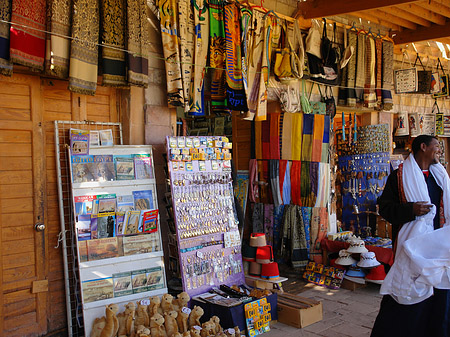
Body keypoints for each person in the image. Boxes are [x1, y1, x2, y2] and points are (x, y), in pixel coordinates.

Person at [371, 135, 450, 337]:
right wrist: (410, 210)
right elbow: (386, 209)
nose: (439, 150)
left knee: (440, 300)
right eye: (436, 146)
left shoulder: (440, 177)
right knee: (405, 299)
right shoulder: (398, 177)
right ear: (423, 147)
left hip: (439, 251)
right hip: (412, 250)